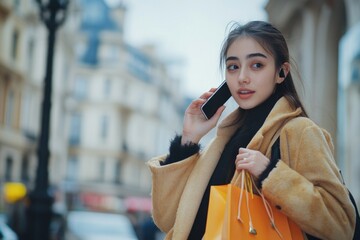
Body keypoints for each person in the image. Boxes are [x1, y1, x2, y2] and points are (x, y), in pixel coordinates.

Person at [147, 21, 356, 240]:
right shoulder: (222, 141)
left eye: (257, 65)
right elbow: (167, 220)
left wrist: (270, 173)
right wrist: (189, 139)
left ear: (281, 73)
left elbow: (341, 224)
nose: (242, 77)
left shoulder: (299, 132)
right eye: (233, 67)